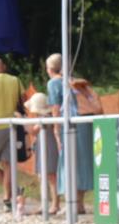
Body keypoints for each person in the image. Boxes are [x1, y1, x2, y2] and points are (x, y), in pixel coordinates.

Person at [45, 53, 93, 214]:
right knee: (82, 162)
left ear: (50, 68)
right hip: (84, 123)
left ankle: (71, 203)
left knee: (67, 162)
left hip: (69, 125)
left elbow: (55, 108)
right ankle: (79, 203)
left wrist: (56, 128)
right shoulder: (74, 81)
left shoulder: (54, 83)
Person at [0, 57, 24, 210]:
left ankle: (14, 192)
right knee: (8, 164)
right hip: (12, 125)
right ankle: (8, 197)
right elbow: (21, 101)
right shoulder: (15, 80)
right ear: (4, 67)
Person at [25, 92, 59, 214]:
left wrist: (22, 121)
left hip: (49, 147)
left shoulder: (47, 118)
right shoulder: (45, 118)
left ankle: (55, 204)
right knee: (42, 176)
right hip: (43, 146)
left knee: (51, 176)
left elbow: (33, 131)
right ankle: (45, 203)